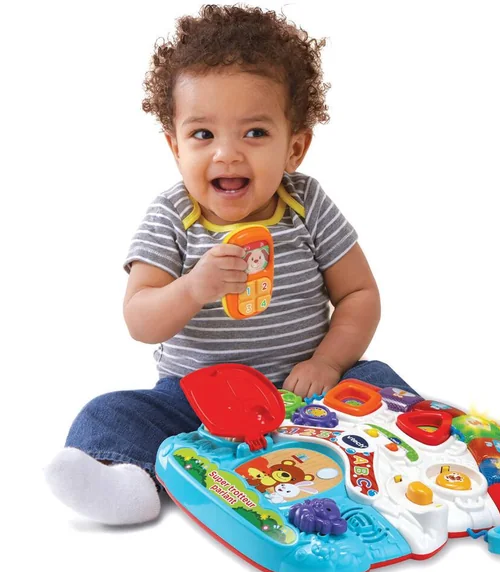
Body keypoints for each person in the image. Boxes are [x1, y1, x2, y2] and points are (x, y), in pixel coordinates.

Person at [44, 4, 418, 526]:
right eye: (203, 134)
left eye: (255, 133)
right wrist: (193, 288)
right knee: (108, 413)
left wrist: (328, 364)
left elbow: (359, 294)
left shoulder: (306, 204)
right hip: (197, 399)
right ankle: (130, 483)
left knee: (377, 381)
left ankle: (407, 460)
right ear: (175, 147)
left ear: (295, 147)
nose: (226, 154)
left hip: (305, 392)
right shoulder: (172, 216)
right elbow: (139, 319)